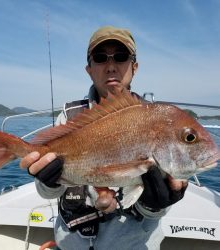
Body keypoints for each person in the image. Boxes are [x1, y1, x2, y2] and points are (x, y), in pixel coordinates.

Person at [20, 26, 188, 250]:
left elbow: (154, 211)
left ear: (134, 67)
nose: (111, 67)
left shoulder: (153, 120)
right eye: (100, 58)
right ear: (89, 69)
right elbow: (46, 193)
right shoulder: (69, 118)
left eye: (121, 57)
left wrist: (156, 203)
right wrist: (47, 181)